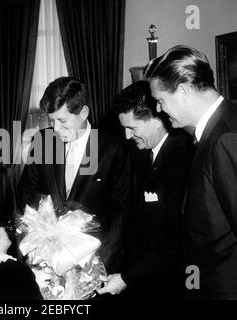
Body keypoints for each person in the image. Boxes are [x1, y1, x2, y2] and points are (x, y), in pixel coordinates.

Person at [145, 45, 237, 299]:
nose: (160, 110)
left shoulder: (226, 138)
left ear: (183, 91)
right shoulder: (214, 131)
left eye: (161, 100)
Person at [17, 76, 131, 273]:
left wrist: (101, 262)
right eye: (51, 121)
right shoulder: (43, 141)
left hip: (94, 260)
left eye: (62, 121)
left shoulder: (113, 146)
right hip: (46, 258)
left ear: (84, 112)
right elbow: (26, 193)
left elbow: (122, 211)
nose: (56, 129)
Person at [97, 80, 193, 299]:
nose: (127, 136)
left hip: (176, 282)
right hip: (140, 277)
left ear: (158, 120)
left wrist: (126, 278)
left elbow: (176, 240)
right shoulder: (137, 152)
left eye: (132, 127)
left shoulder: (186, 156)